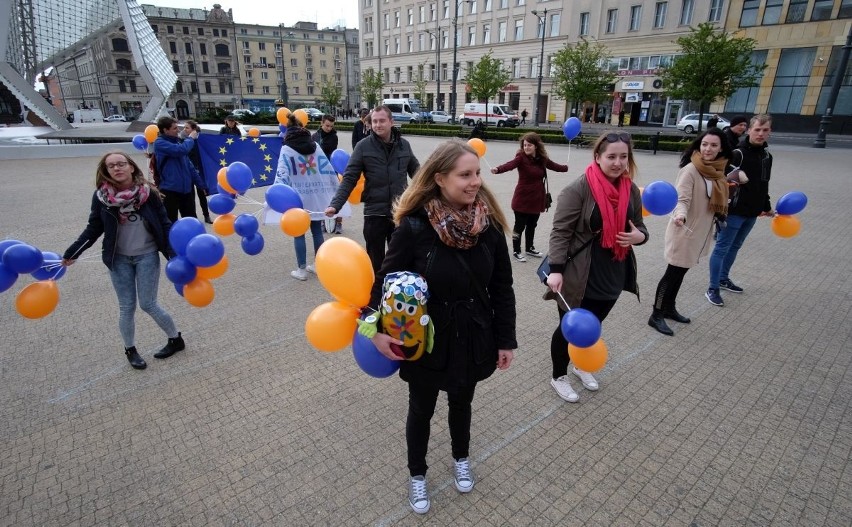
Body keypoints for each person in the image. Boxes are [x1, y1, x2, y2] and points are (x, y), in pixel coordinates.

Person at [364, 139, 516, 514]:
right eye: (465, 175)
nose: (475, 182)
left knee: (462, 403)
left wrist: (505, 340)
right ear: (439, 179)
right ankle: (418, 474)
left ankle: (460, 457)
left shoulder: (489, 226)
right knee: (422, 409)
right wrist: (375, 330)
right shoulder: (414, 228)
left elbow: (502, 288)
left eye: (477, 173)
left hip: (474, 335)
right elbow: (382, 283)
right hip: (426, 340)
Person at [544, 131, 649, 403]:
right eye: (611, 156)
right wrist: (555, 269)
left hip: (614, 271)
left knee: (594, 325)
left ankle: (580, 364)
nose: (617, 162)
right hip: (579, 274)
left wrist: (641, 237)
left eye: (623, 157)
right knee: (569, 329)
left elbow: (640, 226)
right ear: (598, 157)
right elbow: (560, 232)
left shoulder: (630, 191)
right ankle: (559, 376)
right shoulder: (578, 189)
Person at [62, 152, 185, 370]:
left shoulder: (149, 194)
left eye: (121, 164)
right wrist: (73, 252)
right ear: (106, 170)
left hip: (147, 255)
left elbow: (165, 224)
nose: (117, 168)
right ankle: (130, 349)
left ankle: (175, 339)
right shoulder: (101, 197)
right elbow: (93, 228)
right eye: (111, 166)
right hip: (118, 260)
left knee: (148, 304)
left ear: (131, 167)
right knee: (126, 306)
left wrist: (173, 255)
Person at [648, 129, 732, 336]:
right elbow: (681, 199)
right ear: (698, 145)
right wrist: (681, 215)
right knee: (672, 274)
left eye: (713, 145)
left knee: (681, 273)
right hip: (684, 230)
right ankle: (656, 314)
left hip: (700, 233)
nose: (708, 149)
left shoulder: (717, 170)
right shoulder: (691, 170)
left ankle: (669, 307)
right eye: (704, 144)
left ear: (721, 147)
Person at [325, 105, 420, 272]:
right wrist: (335, 204)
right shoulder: (363, 147)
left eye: (382, 121)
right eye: (374, 121)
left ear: (392, 122)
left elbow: (419, 174)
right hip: (374, 213)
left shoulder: (404, 145)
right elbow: (349, 178)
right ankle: (376, 296)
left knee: (400, 259)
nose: (377, 125)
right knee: (375, 263)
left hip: (399, 212)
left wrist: (439, 191)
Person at [706, 114, 774, 307]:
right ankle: (712, 288)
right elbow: (720, 179)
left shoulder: (767, 156)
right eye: (757, 129)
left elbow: (764, 184)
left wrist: (766, 206)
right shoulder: (738, 153)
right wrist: (733, 177)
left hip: (752, 212)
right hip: (734, 210)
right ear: (749, 130)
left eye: (765, 130)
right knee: (722, 247)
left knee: (735, 247)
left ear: (770, 132)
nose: (760, 134)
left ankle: (723, 278)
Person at [275, 113, 340, 281]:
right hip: (315, 195)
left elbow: (281, 174)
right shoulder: (315, 146)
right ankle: (318, 265)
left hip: (297, 196)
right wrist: (334, 188)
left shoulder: (286, 149)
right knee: (317, 230)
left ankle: (301, 270)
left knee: (299, 232)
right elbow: (326, 168)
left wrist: (277, 193)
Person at [491, 132, 568, 262]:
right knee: (519, 226)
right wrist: (498, 169)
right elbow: (510, 165)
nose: (526, 147)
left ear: (536, 146)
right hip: (522, 199)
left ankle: (529, 248)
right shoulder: (520, 158)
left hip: (537, 199)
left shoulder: (542, 158)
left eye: (529, 145)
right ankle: (516, 250)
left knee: (532, 225)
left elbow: (554, 166)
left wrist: (565, 168)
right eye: (525, 145)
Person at [153, 116, 207, 222]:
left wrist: (201, 185)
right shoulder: (159, 143)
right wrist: (190, 138)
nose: (178, 130)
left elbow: (190, 167)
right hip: (169, 191)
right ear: (165, 130)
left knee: (191, 222)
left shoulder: (177, 142)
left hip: (186, 191)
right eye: (174, 128)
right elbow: (180, 150)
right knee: (170, 222)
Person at [312, 114, 344, 235]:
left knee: (335, 196)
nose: (329, 128)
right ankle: (322, 222)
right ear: (322, 123)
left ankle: (339, 223)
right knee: (321, 197)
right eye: (327, 126)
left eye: (331, 126)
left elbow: (327, 151)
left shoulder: (333, 137)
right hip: (318, 171)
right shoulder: (315, 136)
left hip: (331, 170)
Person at [181, 120, 212, 224]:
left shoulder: (200, 141)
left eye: (187, 128)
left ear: (193, 129)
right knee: (190, 197)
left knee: (202, 195)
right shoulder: (183, 141)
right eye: (184, 128)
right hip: (188, 171)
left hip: (198, 172)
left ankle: (206, 215)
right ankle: (193, 218)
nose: (184, 130)